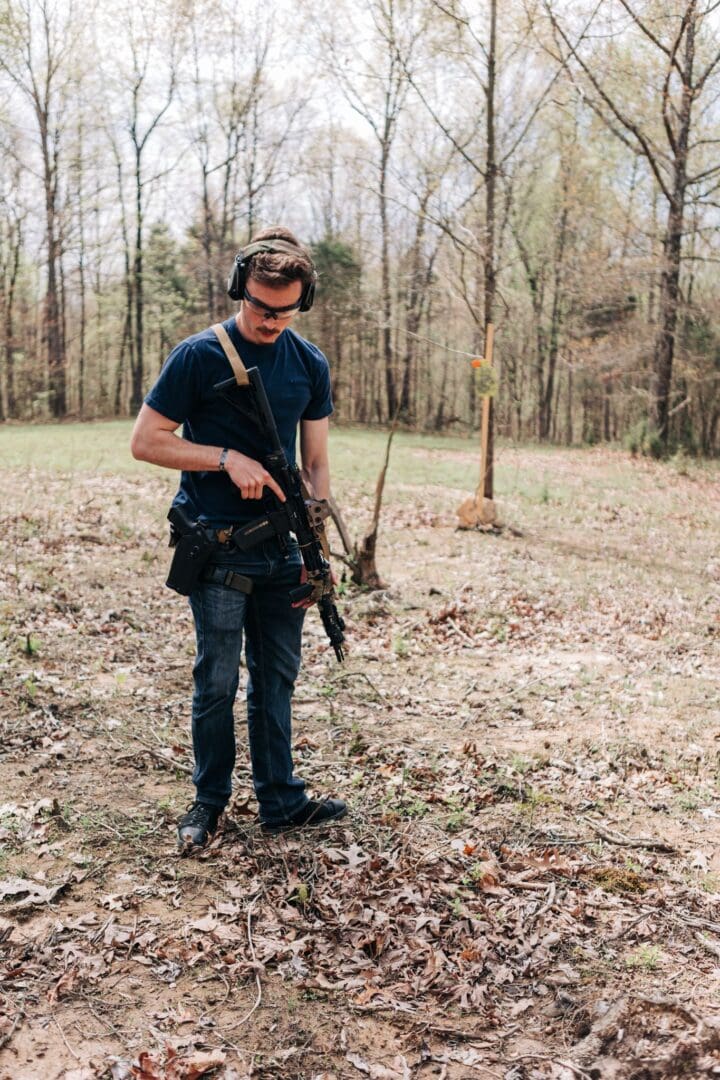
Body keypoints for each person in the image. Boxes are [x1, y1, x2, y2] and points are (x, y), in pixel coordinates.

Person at [130, 226, 347, 848]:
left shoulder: (310, 365)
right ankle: (208, 803)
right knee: (218, 680)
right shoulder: (199, 355)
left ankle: (281, 800)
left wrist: (317, 538)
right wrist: (224, 457)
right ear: (237, 290)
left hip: (284, 549)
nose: (271, 320)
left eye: (285, 310)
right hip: (219, 544)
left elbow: (317, 463)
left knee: (276, 676)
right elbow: (147, 442)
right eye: (259, 306)